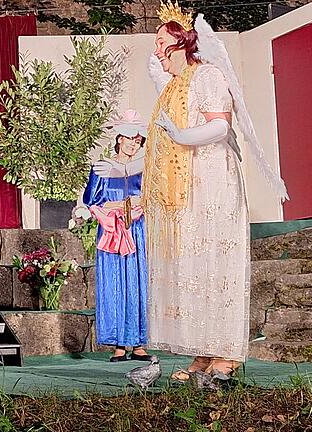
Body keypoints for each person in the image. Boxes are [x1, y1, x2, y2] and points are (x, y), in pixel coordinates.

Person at [144, 2, 287, 380]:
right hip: (187, 188)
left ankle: (227, 352)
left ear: (179, 44)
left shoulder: (206, 75)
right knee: (194, 265)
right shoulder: (175, 84)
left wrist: (181, 135)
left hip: (212, 183)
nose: (156, 49)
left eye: (161, 42)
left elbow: (220, 127)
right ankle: (205, 351)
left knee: (216, 265)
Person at [85, 110, 150, 362]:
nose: (134, 144)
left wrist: (137, 205)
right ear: (119, 138)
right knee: (113, 281)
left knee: (136, 281)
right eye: (130, 138)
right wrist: (119, 206)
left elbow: (150, 195)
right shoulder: (102, 168)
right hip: (112, 229)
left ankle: (138, 342)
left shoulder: (143, 169)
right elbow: (91, 200)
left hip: (136, 228)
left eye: (138, 140)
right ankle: (119, 344)